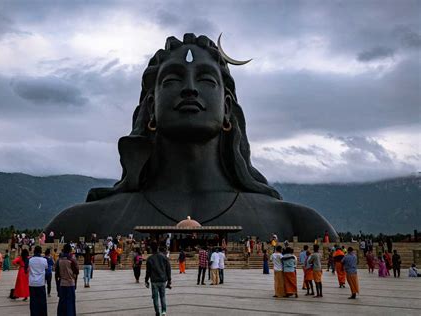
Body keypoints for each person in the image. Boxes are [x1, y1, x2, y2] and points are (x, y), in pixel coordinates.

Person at [45, 33, 338, 242]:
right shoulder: (80, 223)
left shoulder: (297, 223)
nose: (189, 89)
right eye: (172, 80)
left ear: (226, 109)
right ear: (150, 108)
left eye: (206, 80)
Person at [145, 243, 171, 316]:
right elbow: (168, 269)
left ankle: (157, 312)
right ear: (158, 248)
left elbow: (148, 271)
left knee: (155, 298)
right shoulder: (164, 257)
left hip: (154, 281)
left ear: (151, 249)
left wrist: (146, 280)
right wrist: (169, 280)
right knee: (162, 296)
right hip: (162, 280)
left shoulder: (149, 259)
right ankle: (163, 311)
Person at [55, 243, 79, 316]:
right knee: (70, 303)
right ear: (70, 250)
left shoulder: (59, 261)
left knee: (62, 303)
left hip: (62, 284)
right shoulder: (72, 260)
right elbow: (76, 272)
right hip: (70, 284)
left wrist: (57, 286)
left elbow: (57, 274)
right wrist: (75, 284)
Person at [28, 246, 48, 316]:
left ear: (34, 251)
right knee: (42, 301)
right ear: (41, 251)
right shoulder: (44, 260)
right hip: (41, 283)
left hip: (32, 283)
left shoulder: (30, 260)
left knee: (33, 301)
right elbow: (46, 268)